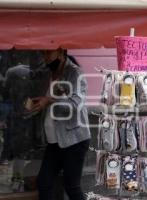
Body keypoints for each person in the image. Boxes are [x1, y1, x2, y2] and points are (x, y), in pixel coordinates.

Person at [29, 49, 91, 200]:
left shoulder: (75, 73)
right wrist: (39, 104)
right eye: (43, 53)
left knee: (71, 186)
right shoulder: (48, 72)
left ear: (61, 52)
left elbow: (76, 104)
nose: (46, 57)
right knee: (44, 182)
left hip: (74, 139)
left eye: (49, 53)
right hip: (54, 141)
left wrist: (49, 100)